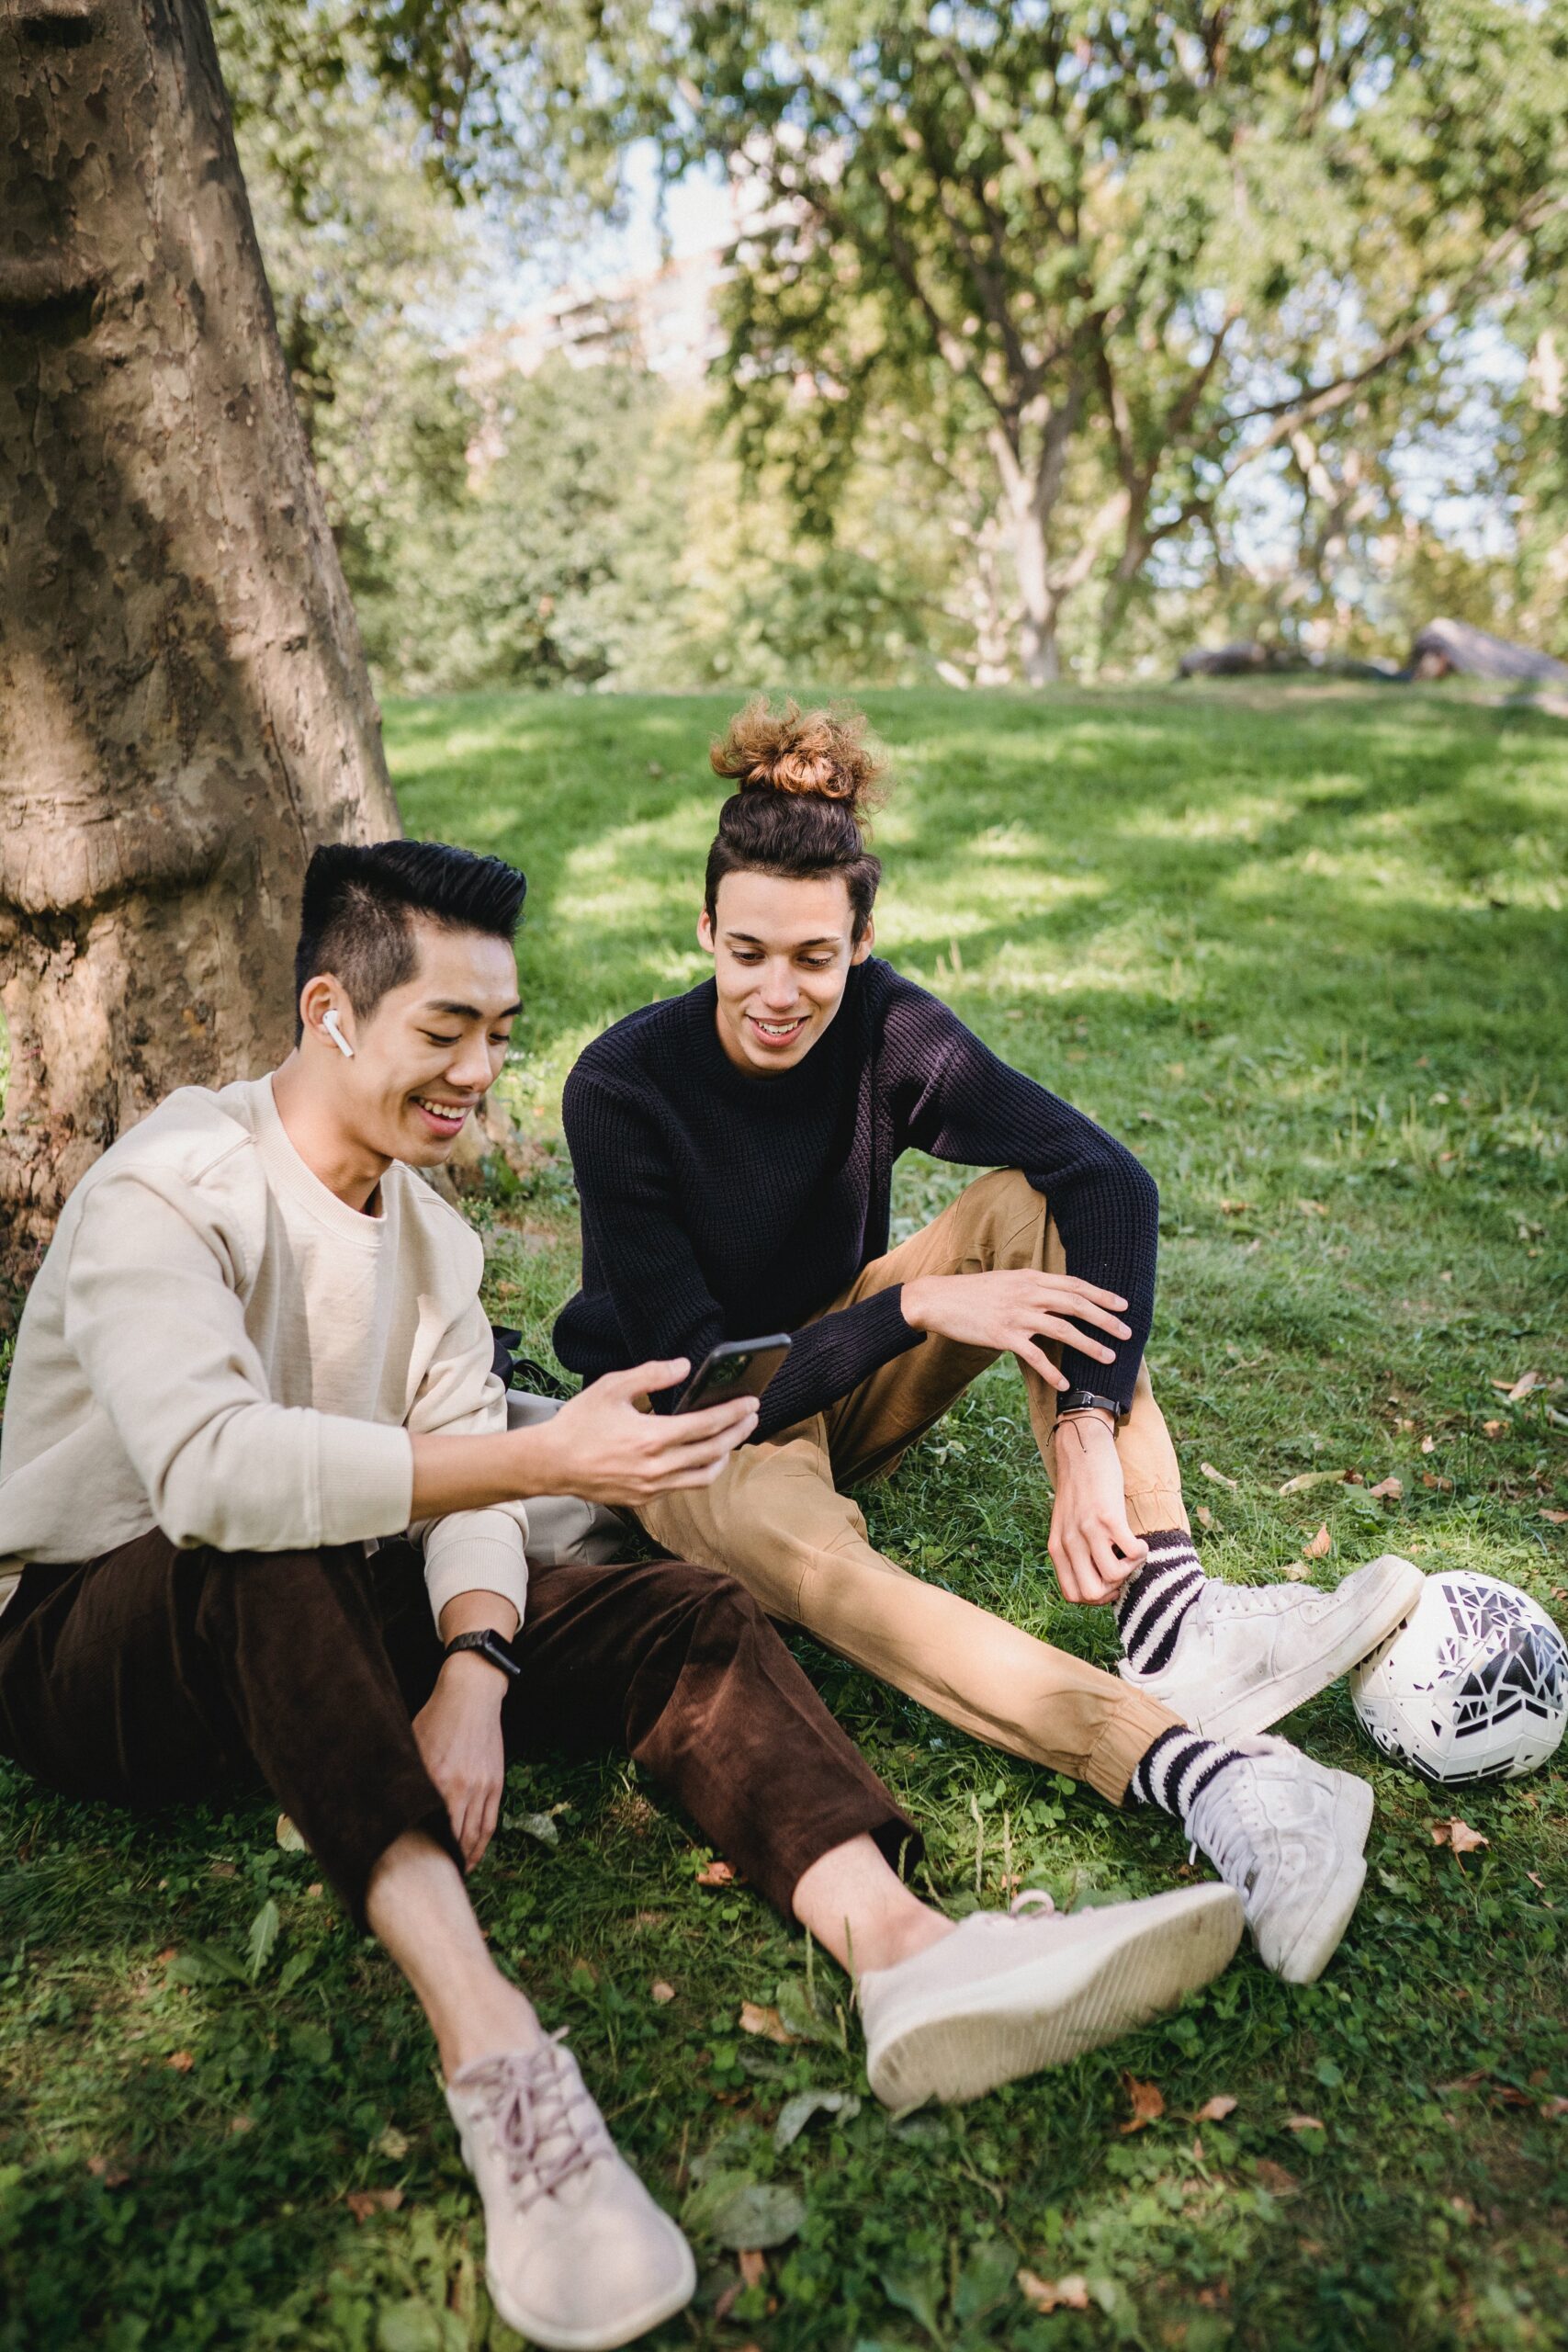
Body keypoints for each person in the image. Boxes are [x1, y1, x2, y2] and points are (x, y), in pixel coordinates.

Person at [0, 840, 1248, 2352]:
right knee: (267, 1551)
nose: (478, 1075)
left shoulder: (433, 1242)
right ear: (331, 1010)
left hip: (348, 1601)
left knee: (681, 1609)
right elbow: (208, 1477)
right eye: (442, 1034)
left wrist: (476, 1661)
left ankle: (907, 1951)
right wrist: (546, 1457)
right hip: (98, 1642)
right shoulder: (175, 1185)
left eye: (499, 1034)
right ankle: (502, 2056)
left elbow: (461, 1484)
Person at [555, 700, 1421, 1991]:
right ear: (704, 934)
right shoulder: (622, 1087)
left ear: (861, 942)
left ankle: (1173, 1613)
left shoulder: (887, 1029)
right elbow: (709, 1387)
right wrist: (912, 1311)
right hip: (691, 1432)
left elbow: (1106, 1180)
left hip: (833, 1370)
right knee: (823, 1566)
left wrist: (1085, 1426)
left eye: (814, 957)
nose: (778, 992)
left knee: (1026, 1204)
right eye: (747, 954)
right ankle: (1207, 1775)